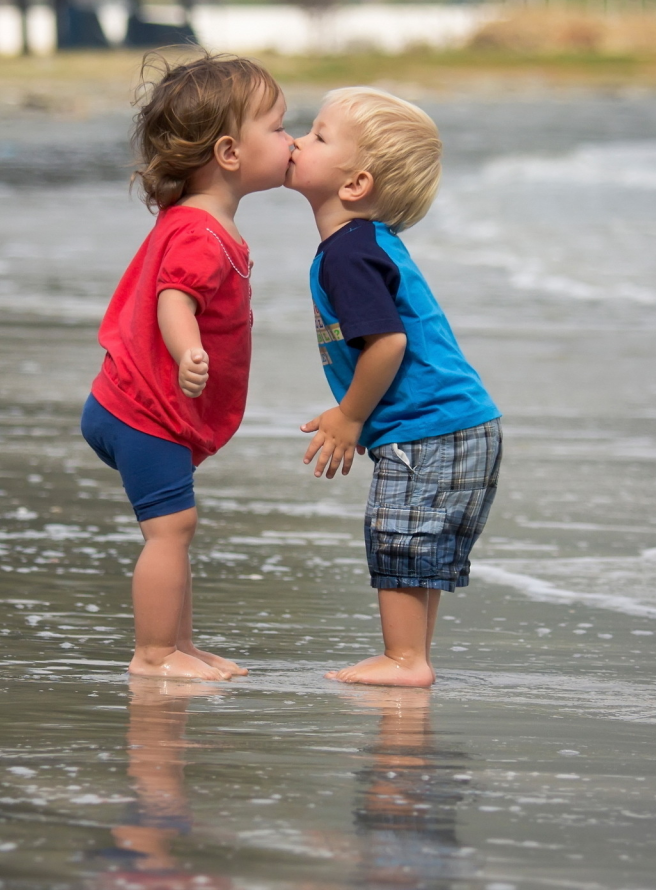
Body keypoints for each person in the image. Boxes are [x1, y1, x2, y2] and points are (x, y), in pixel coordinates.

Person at [81, 52, 292, 680]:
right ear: (229, 153)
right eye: (279, 128)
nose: (291, 141)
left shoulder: (204, 222)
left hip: (134, 403)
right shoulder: (201, 232)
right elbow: (176, 298)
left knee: (176, 529)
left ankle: (181, 645)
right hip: (142, 409)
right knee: (171, 529)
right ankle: (154, 654)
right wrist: (188, 350)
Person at [287, 87, 502, 687]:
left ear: (354, 184)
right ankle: (414, 656)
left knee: (400, 533)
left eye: (319, 136)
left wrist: (349, 418)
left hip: (431, 426)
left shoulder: (348, 253)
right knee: (417, 541)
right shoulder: (363, 244)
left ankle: (406, 660)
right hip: (459, 424)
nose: (300, 141)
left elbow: (388, 344)